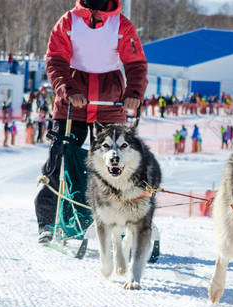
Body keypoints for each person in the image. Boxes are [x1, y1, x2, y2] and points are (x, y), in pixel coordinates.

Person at [35, 0, 148, 244]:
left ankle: (122, 222)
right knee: (60, 161)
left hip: (110, 105)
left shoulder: (121, 24)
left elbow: (136, 64)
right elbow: (56, 60)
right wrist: (68, 88)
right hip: (71, 105)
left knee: (117, 165)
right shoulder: (68, 22)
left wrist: (134, 93)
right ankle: (48, 221)